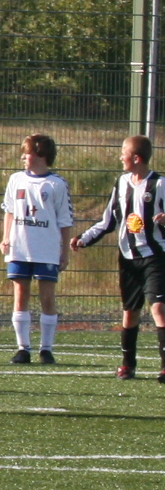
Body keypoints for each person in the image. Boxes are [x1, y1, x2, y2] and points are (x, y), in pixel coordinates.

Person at [71, 133, 163, 382]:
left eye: (124, 152)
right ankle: (127, 365)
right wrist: (84, 238)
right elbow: (107, 221)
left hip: (155, 256)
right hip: (128, 258)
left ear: (136, 158)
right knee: (130, 312)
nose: (120, 157)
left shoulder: (159, 185)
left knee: (159, 308)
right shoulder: (121, 183)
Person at [0, 132, 73, 365]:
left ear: (41, 154)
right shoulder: (16, 180)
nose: (23, 157)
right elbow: (9, 211)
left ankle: (46, 349)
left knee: (47, 298)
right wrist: (5, 237)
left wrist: (64, 252)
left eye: (27, 153)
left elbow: (65, 221)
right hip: (20, 246)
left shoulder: (56, 184)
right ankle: (23, 348)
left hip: (46, 249)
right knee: (20, 294)